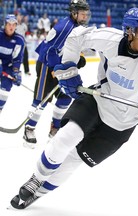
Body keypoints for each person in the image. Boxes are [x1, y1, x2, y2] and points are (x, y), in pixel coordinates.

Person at [10, 7, 138, 209]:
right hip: (98, 99)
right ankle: (36, 179)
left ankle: (40, 192)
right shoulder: (109, 39)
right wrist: (67, 68)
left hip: (124, 121)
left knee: (75, 159)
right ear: (129, 32)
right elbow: (75, 36)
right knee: (65, 136)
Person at [23, 0, 90, 149]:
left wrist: (78, 59)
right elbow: (49, 51)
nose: (85, 16)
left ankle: (55, 128)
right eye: (82, 13)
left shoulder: (77, 27)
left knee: (65, 97)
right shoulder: (64, 28)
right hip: (48, 66)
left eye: (86, 13)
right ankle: (29, 128)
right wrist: (54, 68)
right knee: (41, 100)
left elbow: (68, 49)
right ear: (74, 13)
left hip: (61, 66)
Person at [0, 14, 24, 115]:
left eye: (14, 24)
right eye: (9, 24)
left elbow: (17, 59)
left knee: (6, 87)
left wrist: (16, 72)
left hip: (7, 66)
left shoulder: (19, 40)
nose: (11, 27)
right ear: (5, 25)